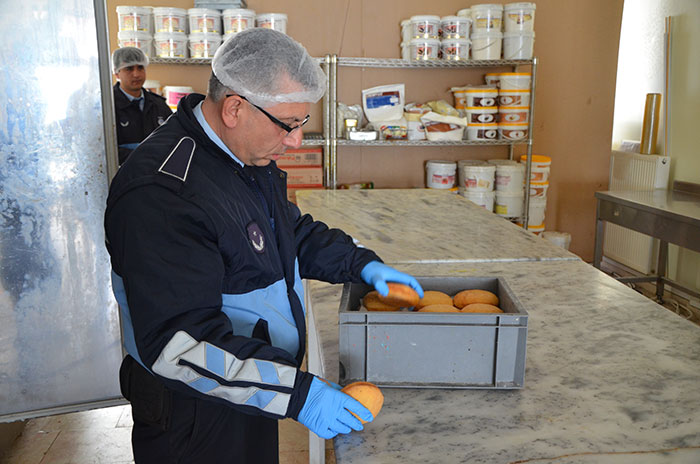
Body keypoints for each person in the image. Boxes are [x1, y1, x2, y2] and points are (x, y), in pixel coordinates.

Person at [104, 28, 424, 464]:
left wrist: (360, 264)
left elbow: (287, 233)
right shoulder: (162, 193)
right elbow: (178, 347)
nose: (295, 141)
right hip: (193, 412)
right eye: (288, 125)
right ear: (235, 108)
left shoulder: (242, 155)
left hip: (249, 387)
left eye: (301, 124)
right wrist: (297, 395)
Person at [112, 47, 172, 165]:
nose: (136, 74)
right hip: (124, 176)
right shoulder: (109, 107)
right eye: (129, 69)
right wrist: (144, 155)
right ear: (117, 73)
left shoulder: (158, 104)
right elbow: (104, 150)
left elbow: (174, 138)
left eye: (140, 68)